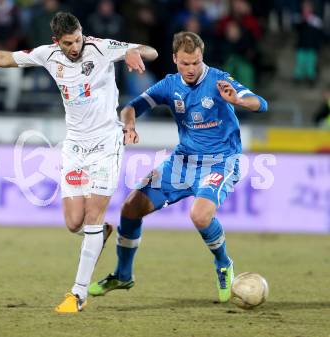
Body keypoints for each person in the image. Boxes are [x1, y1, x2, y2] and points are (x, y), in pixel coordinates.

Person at [0, 11, 158, 313]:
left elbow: (152, 51)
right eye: (69, 43)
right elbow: (4, 58)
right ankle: (101, 233)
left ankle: (77, 295)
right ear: (57, 41)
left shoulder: (101, 47)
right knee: (73, 223)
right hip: (74, 148)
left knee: (93, 214)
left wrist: (132, 50)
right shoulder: (47, 54)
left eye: (78, 39)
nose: (76, 47)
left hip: (107, 144)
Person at [89, 31, 268, 303]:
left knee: (200, 215)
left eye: (196, 62)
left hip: (220, 161)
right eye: (185, 63)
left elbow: (261, 104)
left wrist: (239, 101)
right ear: (175, 59)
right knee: (130, 209)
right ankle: (123, 275)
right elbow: (130, 108)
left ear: (202, 57)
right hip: (182, 162)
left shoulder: (219, 80)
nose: (191, 69)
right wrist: (130, 125)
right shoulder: (169, 85)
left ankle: (223, 263)